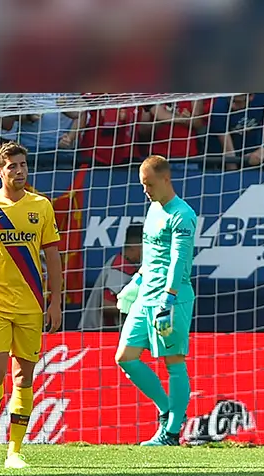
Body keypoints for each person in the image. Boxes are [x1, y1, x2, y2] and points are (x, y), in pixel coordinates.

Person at [0, 141, 63, 469]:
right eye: (12, 167)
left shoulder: (41, 206)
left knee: (24, 377)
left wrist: (55, 302)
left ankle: (15, 451)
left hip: (32, 305)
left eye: (23, 165)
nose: (20, 171)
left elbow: (53, 256)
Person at [113, 155, 198, 446]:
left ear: (165, 179)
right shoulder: (153, 209)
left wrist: (168, 299)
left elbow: (178, 260)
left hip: (171, 299)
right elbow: (151, 257)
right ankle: (167, 410)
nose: (145, 190)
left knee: (174, 362)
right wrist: (135, 284)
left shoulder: (183, 214)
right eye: (142, 184)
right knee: (125, 357)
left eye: (149, 184)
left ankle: (172, 432)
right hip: (145, 296)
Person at [79, 223, 143, 330]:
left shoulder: (124, 263)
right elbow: (106, 305)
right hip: (96, 332)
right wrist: (136, 309)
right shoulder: (119, 266)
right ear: (134, 246)